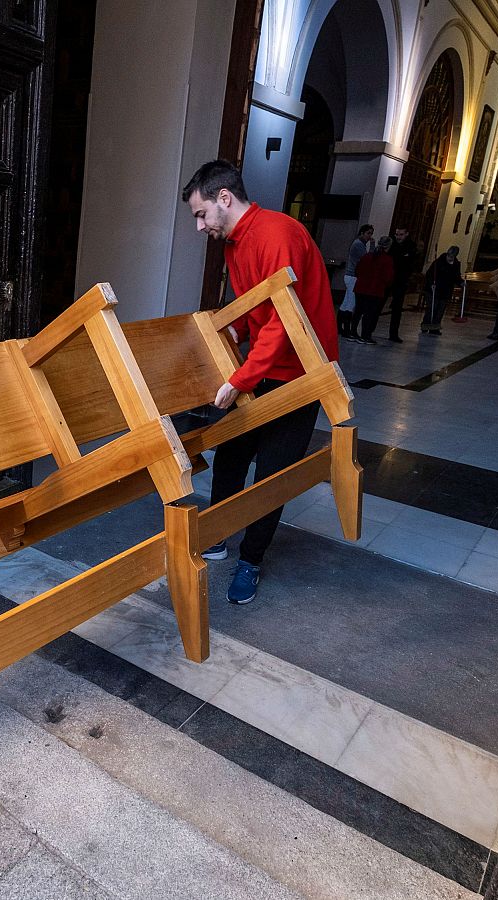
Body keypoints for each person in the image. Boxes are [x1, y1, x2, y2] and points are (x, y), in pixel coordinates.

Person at [180, 160, 338, 605]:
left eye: (201, 214)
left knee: (272, 475)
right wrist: (235, 330)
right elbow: (256, 306)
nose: (199, 226)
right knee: (231, 456)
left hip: (301, 375)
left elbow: (285, 321)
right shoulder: (234, 242)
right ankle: (218, 535)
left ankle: (251, 560)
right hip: (266, 367)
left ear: (224, 199)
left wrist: (240, 377)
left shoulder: (278, 233)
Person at [352, 236, 396, 345]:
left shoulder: (367, 256)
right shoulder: (387, 260)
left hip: (361, 287)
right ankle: (365, 335)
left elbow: (357, 270)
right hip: (375, 289)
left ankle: (353, 333)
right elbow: (388, 276)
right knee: (369, 313)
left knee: (358, 311)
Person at [339, 223, 374, 341]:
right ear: (362, 233)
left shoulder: (359, 244)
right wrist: (373, 246)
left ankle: (339, 326)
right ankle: (347, 330)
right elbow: (368, 259)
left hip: (351, 275)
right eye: (368, 233)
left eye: (371, 234)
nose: (370, 236)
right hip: (353, 276)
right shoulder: (358, 245)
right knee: (351, 303)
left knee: (346, 302)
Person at [385, 225, 419, 343]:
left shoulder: (411, 246)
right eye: (397, 234)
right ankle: (368, 331)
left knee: (397, 308)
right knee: (378, 304)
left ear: (406, 234)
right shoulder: (392, 244)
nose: (398, 237)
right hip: (388, 279)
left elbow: (409, 261)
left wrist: (401, 259)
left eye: (401, 235)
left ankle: (393, 334)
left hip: (401, 280)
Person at [422, 245, 461, 335]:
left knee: (441, 310)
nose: (450, 258)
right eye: (449, 256)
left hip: (445, 291)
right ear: (447, 254)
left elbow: (456, 277)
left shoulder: (456, 264)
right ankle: (425, 326)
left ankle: (434, 329)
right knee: (432, 308)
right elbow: (429, 274)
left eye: (452, 257)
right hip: (433, 290)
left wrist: (461, 282)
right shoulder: (438, 262)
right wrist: (432, 283)